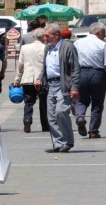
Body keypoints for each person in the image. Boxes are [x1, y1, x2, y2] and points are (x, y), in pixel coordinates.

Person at [36, 23, 80, 153]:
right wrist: (39, 78)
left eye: (47, 35)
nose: (44, 38)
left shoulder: (68, 47)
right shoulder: (48, 48)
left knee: (61, 112)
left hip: (63, 85)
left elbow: (75, 69)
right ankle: (58, 143)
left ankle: (68, 141)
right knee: (51, 116)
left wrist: (75, 87)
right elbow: (45, 66)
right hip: (50, 85)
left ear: (56, 35)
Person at [73, 22, 106, 139]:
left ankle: (80, 116)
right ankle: (93, 131)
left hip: (80, 73)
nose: (105, 36)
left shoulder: (77, 43)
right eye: (103, 33)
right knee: (97, 104)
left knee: (80, 100)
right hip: (97, 74)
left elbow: (72, 61)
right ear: (97, 32)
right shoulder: (103, 45)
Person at [14, 28, 50, 133]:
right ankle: (45, 125)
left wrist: (17, 79)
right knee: (44, 103)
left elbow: (20, 65)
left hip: (27, 79)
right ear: (43, 37)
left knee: (28, 102)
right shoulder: (46, 48)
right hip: (42, 79)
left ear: (33, 37)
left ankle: (27, 120)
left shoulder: (25, 48)